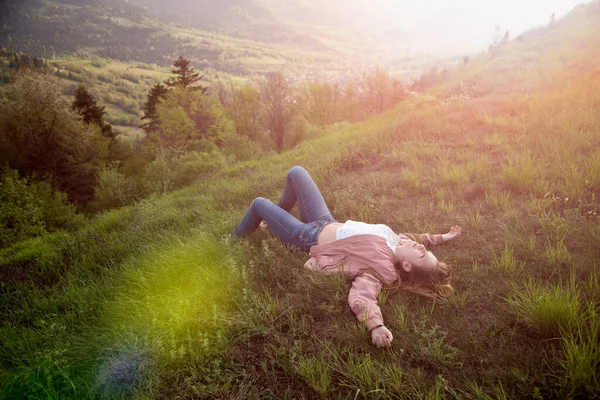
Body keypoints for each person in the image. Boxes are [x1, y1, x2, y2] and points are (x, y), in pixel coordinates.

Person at [230, 166, 462, 348]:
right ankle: (274, 221)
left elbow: (363, 295)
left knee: (259, 203)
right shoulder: (397, 239)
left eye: (422, 255)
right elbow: (420, 237)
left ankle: (232, 240)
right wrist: (444, 237)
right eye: (425, 249)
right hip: (325, 220)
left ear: (407, 265)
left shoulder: (381, 269)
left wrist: (376, 326)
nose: (421, 247)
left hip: (307, 236)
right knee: (296, 172)